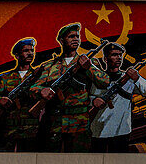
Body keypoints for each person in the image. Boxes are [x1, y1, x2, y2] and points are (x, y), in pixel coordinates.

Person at [32, 23, 109, 152]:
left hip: (78, 123)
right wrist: (41, 91)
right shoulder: (49, 66)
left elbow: (105, 82)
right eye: (71, 36)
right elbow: (33, 88)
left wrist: (88, 67)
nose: (75, 39)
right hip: (54, 123)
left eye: (77, 36)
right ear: (61, 41)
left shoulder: (90, 62)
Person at [89, 43, 146, 153]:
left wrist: (137, 78)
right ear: (105, 58)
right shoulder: (98, 78)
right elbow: (89, 98)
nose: (119, 58)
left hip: (121, 131)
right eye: (114, 55)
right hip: (100, 131)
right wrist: (94, 101)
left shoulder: (129, 79)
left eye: (120, 55)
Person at [0, 38, 42, 152]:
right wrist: (0, 101)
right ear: (17, 55)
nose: (30, 53)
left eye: (32, 50)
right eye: (26, 51)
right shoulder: (4, 78)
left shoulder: (40, 76)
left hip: (31, 131)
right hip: (8, 130)